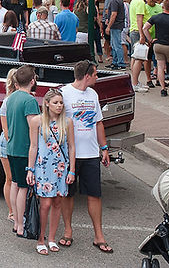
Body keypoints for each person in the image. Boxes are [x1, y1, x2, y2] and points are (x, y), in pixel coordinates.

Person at [58, 60, 113, 254]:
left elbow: (98, 123)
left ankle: (99, 235)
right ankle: (67, 230)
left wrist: (104, 148)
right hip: (70, 154)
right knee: (68, 194)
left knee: (95, 195)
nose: (97, 77)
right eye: (96, 74)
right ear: (87, 76)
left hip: (90, 154)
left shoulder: (93, 94)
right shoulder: (64, 94)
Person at [27, 88, 76, 255]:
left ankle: (52, 238)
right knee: (45, 203)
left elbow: (71, 147)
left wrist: (72, 171)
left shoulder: (67, 122)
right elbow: (33, 146)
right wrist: (30, 169)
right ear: (46, 104)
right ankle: (40, 239)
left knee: (57, 202)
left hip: (61, 168)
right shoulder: (37, 121)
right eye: (55, 102)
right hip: (43, 168)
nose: (59, 106)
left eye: (61, 102)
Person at [6, 65, 40, 237]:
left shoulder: (11, 98)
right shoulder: (30, 101)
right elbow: (33, 126)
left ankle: (16, 220)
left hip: (12, 147)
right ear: (32, 80)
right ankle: (20, 224)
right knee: (23, 188)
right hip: (23, 149)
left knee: (15, 184)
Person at [0, 68, 19, 224]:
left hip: (17, 143)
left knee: (18, 181)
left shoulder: (25, 98)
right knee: (10, 179)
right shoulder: (8, 101)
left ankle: (19, 209)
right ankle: (11, 212)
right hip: (7, 144)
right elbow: (6, 130)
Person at [103, 0, 126, 69]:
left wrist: (108, 26)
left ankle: (120, 63)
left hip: (115, 25)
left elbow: (114, 14)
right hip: (117, 25)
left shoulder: (114, 1)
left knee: (117, 44)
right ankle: (115, 62)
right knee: (113, 44)